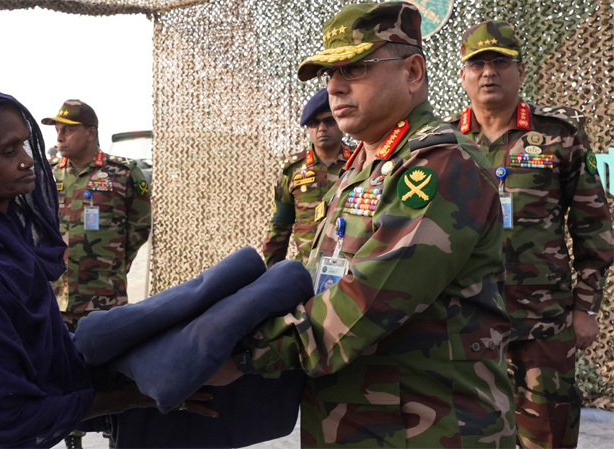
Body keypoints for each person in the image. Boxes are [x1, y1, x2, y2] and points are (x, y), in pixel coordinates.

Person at [211, 3, 517, 447]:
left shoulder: (438, 165)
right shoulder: (364, 164)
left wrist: (243, 353)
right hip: (357, 421)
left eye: (355, 68)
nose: (334, 87)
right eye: (329, 74)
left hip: (431, 429)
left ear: (413, 72)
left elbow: (369, 299)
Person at [0, 88, 212, 448]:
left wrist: (150, 368)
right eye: (9, 152)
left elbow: (45, 355)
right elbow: (8, 412)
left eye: (25, 147)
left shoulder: (2, 249)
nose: (28, 161)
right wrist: (133, 396)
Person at [446, 20, 614, 448]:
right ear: (463, 74)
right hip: (463, 326)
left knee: (548, 438)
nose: (489, 73)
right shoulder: (443, 144)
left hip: (545, 324)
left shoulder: (560, 136)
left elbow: (594, 231)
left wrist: (586, 308)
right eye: (478, 63)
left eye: (500, 62)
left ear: (521, 71)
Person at [41, 100, 151, 448]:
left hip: (105, 299)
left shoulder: (122, 172)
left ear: (90, 132)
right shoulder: (48, 175)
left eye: (68, 129)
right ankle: (71, 438)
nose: (60, 137)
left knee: (111, 377)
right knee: (63, 376)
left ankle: (114, 435)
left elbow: (139, 225)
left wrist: (115, 265)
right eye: (57, 130)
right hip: (56, 299)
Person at [262, 88, 352, 268]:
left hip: (350, 271)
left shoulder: (360, 162)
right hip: (306, 268)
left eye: (329, 121)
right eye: (313, 123)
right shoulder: (292, 170)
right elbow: (280, 225)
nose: (322, 129)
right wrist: (270, 273)